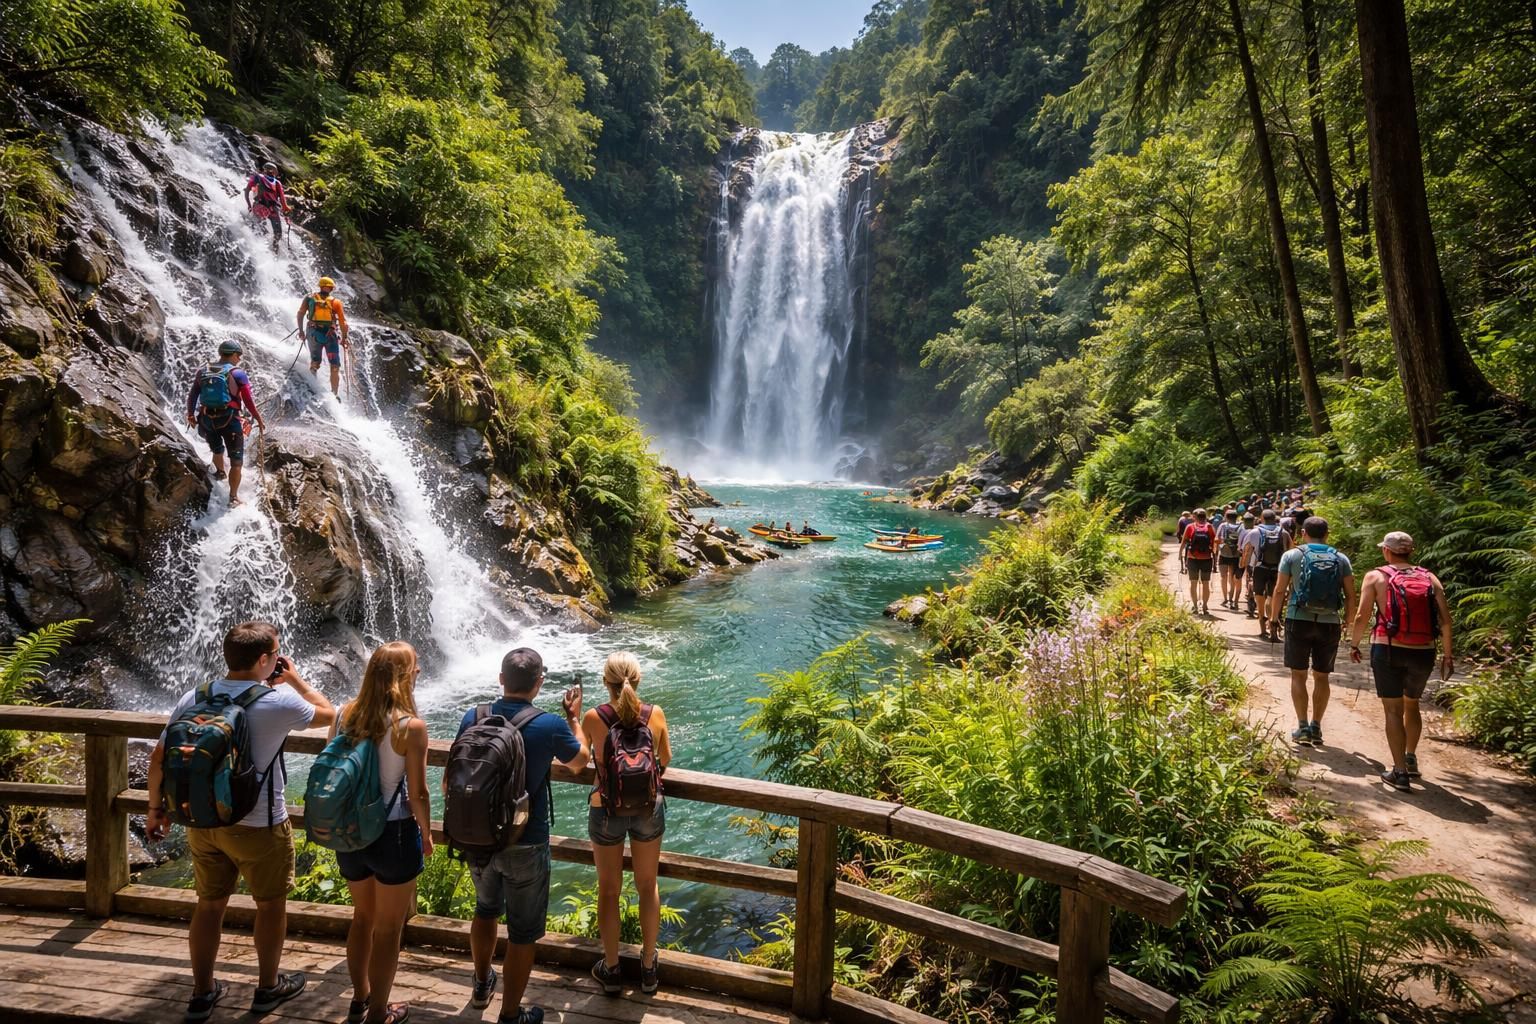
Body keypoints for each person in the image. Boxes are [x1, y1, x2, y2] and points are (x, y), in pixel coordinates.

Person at [145, 621, 336, 1022]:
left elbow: (159, 757)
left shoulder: (194, 696)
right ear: (267, 659)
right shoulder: (276, 703)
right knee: (269, 906)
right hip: (259, 823)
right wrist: (296, 680)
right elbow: (328, 714)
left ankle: (202, 993)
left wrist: (155, 810)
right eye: (275, 655)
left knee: (209, 906)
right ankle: (268, 988)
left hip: (202, 821)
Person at [460, 648, 589, 1024]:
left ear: (501, 679)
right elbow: (580, 761)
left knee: (485, 910)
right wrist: (575, 719)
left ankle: (482, 982)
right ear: (539, 684)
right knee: (523, 932)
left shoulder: (474, 716)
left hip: (478, 837)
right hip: (526, 839)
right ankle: (511, 1014)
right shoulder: (548, 725)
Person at [331, 642, 433, 1024]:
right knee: (389, 930)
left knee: (362, 919)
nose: (420, 672)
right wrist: (427, 833)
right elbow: (418, 793)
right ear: (404, 676)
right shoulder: (410, 726)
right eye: (416, 667)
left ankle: (359, 999)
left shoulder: (344, 714)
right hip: (395, 834)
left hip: (351, 831)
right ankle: (378, 1013)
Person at [583, 653, 671, 997]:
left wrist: (574, 721)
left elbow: (579, 759)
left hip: (606, 810)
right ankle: (649, 968)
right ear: (638, 680)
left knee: (608, 890)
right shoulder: (656, 714)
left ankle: (613, 969)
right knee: (647, 886)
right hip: (649, 808)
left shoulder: (594, 717)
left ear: (606, 683)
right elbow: (665, 759)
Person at [1347, 532, 1455, 791]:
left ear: (1386, 550)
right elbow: (1446, 620)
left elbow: (1362, 615)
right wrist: (1448, 654)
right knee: (1412, 704)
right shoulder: (1429, 577)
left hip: (1389, 648)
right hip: (1424, 650)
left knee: (1393, 710)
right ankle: (1410, 757)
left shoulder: (1376, 576)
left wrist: (1354, 643)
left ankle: (1399, 772)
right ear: (1410, 551)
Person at [1272, 517, 1357, 748]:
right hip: (1329, 623)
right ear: (1327, 534)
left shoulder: (1291, 555)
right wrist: (1348, 625)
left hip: (1297, 619)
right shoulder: (1341, 558)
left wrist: (1273, 618)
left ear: (1302, 533)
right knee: (1322, 676)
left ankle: (1302, 727)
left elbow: (1280, 589)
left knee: (1298, 675)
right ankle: (1317, 726)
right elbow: (1350, 595)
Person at [185, 340, 266, 506]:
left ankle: (220, 473)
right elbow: (248, 399)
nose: (239, 359)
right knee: (236, 461)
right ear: (234, 355)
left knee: (217, 449)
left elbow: (193, 395)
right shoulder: (237, 373)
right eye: (239, 356)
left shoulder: (203, 371)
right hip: (230, 420)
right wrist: (257, 417)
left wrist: (190, 414)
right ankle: (233, 498)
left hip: (207, 419)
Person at [297, 276, 350, 397]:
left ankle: (312, 388)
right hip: (330, 335)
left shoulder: (309, 298)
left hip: (313, 333)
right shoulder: (335, 302)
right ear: (331, 288)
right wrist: (344, 338)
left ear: (320, 286)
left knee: (315, 362)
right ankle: (335, 394)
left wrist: (301, 331)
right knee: (335, 365)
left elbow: (300, 314)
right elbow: (343, 322)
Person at [1248, 509, 1291, 639]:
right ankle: (1274, 629)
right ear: (1275, 519)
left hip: (1259, 568)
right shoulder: (1283, 533)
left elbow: (1247, 551)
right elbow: (1290, 551)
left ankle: (1262, 629)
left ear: (1262, 518)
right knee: (1273, 598)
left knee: (1260, 598)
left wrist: (1245, 566)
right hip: (1278, 569)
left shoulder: (1255, 532)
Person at [245, 161, 290, 254]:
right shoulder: (277, 183)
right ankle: (274, 250)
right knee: (278, 234)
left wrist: (249, 205)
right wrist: (286, 210)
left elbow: (247, 191)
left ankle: (255, 248)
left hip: (259, 206)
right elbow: (282, 201)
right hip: (273, 209)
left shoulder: (257, 177)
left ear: (264, 170)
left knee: (257, 227)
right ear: (275, 172)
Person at [1179, 508, 1217, 614]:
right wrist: (1215, 557)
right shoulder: (1209, 526)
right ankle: (1204, 606)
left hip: (1193, 558)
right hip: (1206, 559)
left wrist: (1180, 554)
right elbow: (1214, 543)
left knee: (1193, 583)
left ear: (1195, 517)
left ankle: (1195, 606)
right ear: (1205, 516)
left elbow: (1183, 542)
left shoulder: (1190, 527)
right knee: (1206, 584)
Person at [1215, 509, 1244, 610]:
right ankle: (1231, 599)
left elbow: (1216, 539)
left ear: (1226, 517)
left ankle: (1225, 599)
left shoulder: (1223, 526)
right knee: (1232, 578)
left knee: (1223, 577)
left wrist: (1221, 545)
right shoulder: (1241, 526)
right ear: (1236, 517)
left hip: (1224, 554)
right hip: (1235, 555)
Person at [1237, 511, 1259, 617]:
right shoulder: (1259, 530)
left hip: (1250, 562)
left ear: (1245, 521)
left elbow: (1241, 547)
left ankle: (1251, 607)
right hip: (1261, 562)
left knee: (1250, 582)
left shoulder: (1243, 532)